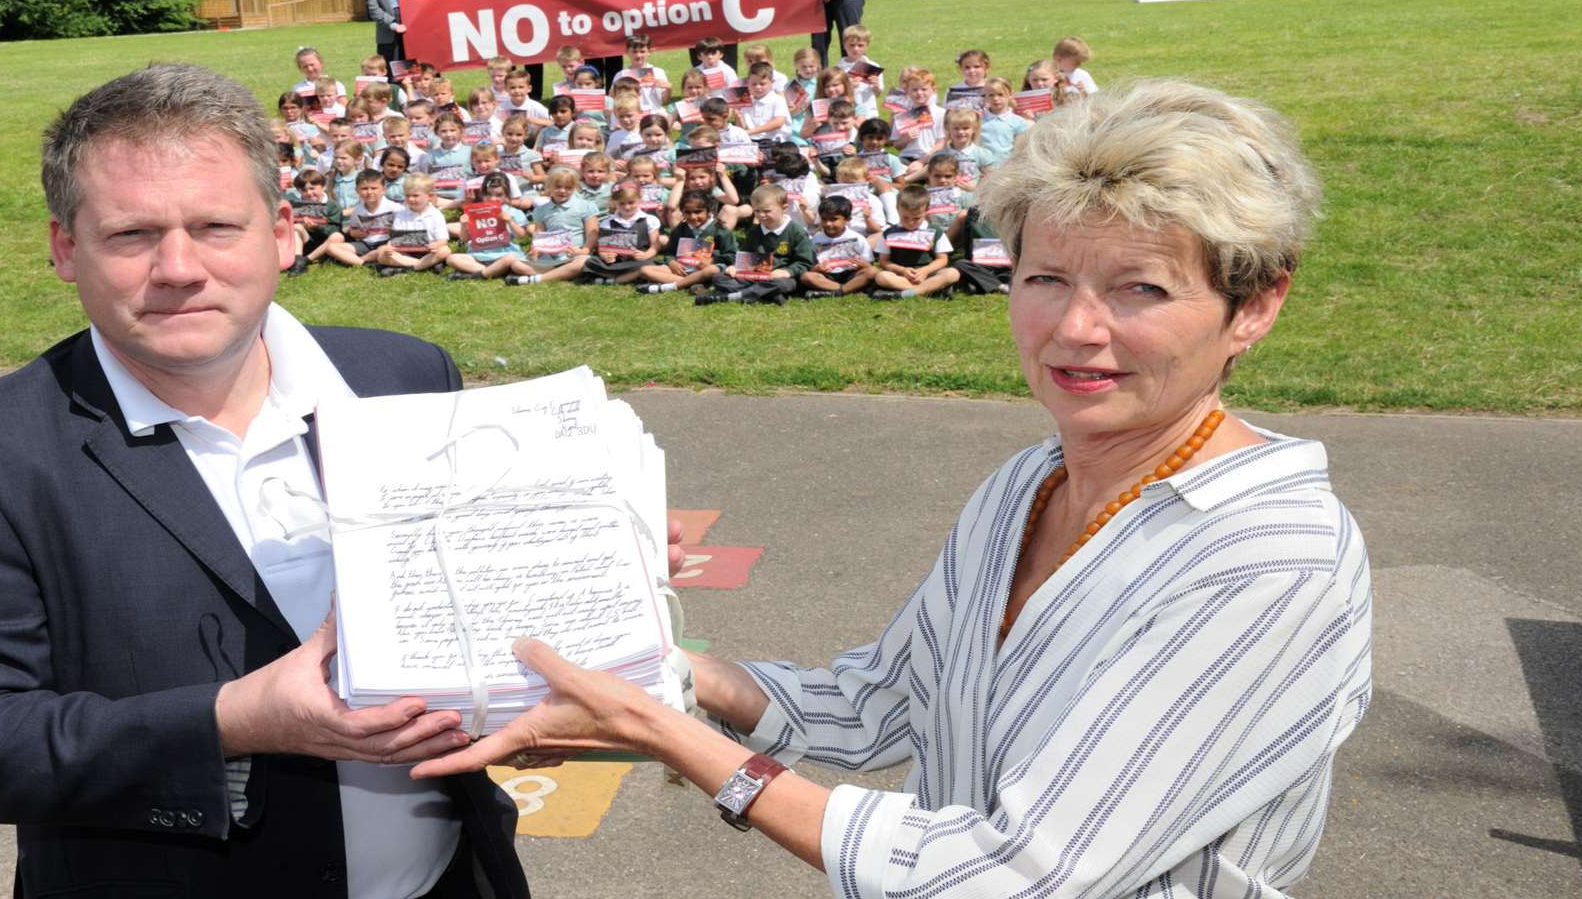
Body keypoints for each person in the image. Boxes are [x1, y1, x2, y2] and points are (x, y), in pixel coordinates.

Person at [413, 79, 1367, 899]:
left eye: (1140, 290)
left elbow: (1017, 875)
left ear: (1256, 305)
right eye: (1043, 277)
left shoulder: (1269, 559)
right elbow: (881, 705)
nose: (1075, 329)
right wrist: (655, 662)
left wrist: (669, 736)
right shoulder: (1030, 481)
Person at [0, 64, 527, 898]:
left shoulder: (401, 374)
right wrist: (235, 722)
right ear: (65, 249)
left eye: (217, 226)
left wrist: (587, 552)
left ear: (284, 232)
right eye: (132, 235)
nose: (178, 267)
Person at [696, 184, 814, 305]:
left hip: (779, 277)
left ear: (784, 208)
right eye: (757, 211)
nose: (761, 215)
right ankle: (767, 295)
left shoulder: (796, 231)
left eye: (767, 211)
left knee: (783, 284)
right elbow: (745, 256)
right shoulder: (754, 230)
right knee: (719, 278)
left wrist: (788, 271)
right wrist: (735, 267)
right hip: (754, 275)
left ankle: (734, 296)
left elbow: (805, 262)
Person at [870, 184, 960, 300]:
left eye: (916, 218)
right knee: (881, 276)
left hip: (928, 273)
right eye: (905, 217)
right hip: (901, 275)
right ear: (897, 208)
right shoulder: (889, 233)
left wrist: (925, 271)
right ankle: (931, 290)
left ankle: (905, 293)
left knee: (953, 273)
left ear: (926, 211)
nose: (910, 222)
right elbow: (884, 262)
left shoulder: (935, 231)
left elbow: (942, 259)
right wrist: (902, 270)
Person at [798, 194, 878, 297]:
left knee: (872, 271)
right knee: (806, 277)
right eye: (824, 219)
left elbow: (869, 264)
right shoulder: (815, 240)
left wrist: (864, 265)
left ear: (847, 219)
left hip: (851, 273)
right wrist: (817, 269)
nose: (828, 224)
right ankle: (846, 289)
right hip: (827, 276)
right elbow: (811, 268)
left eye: (833, 219)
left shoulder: (858, 238)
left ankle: (836, 291)